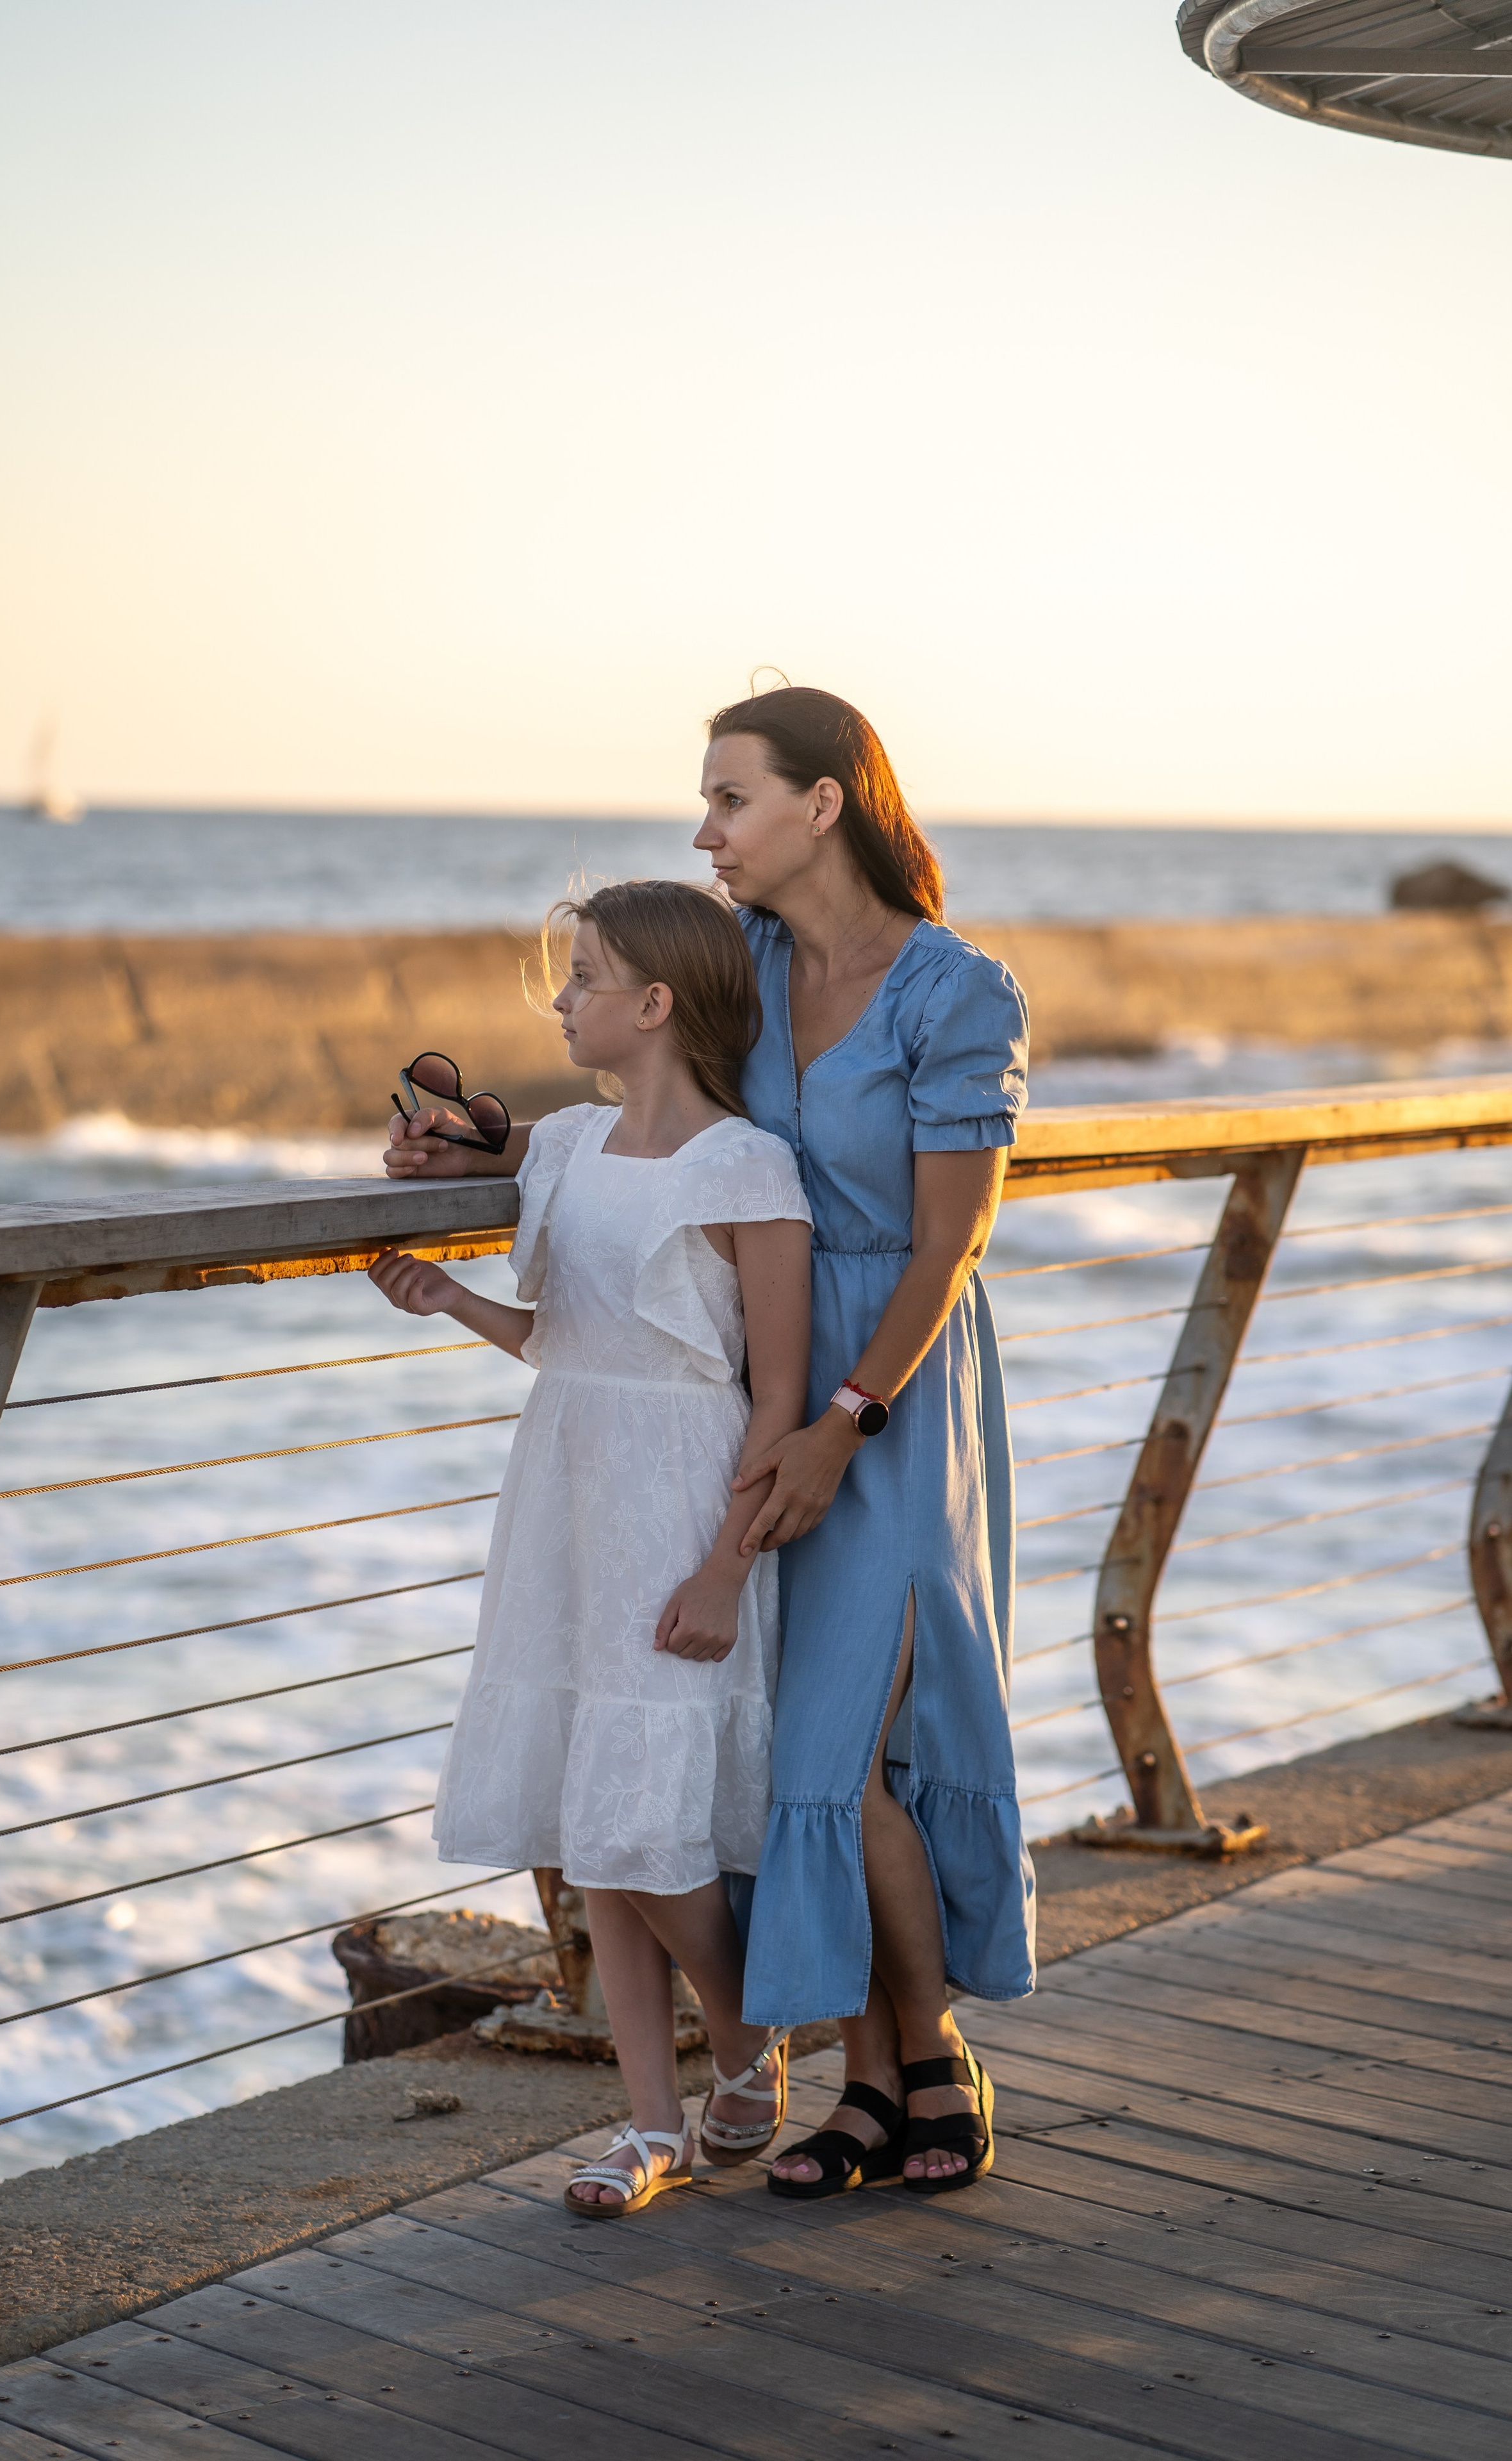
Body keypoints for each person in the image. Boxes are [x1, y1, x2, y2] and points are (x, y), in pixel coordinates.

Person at [371, 880, 812, 2216]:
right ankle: (648, 2126)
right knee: (588, 1820)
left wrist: (727, 1567)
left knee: (640, 1830)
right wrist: (451, 1294)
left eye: (579, 979)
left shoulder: (746, 1165)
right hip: (563, 1486)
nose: (558, 1001)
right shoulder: (560, 1147)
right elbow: (561, 1337)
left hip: (681, 1497)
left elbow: (778, 1394)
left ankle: (741, 2044)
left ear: (654, 1004)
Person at [697, 686, 1033, 2200]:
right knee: (803, 1747)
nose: (704, 832)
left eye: (728, 799)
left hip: (892, 1392)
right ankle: (885, 2075)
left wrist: (846, 1421)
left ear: (821, 804)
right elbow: (659, 1122)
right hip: (763, 1383)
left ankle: (921, 2063)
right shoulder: (742, 969)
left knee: (851, 1742)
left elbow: (947, 1246)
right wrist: (486, 1146)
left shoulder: (953, 991)